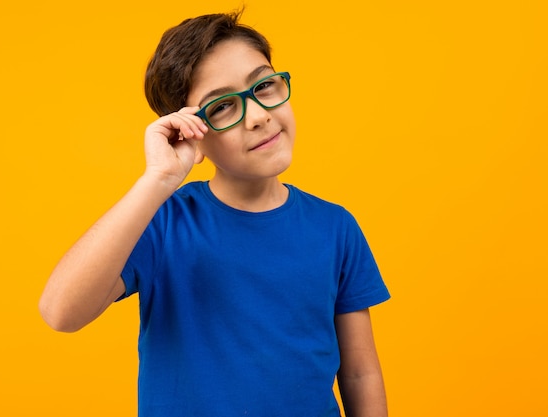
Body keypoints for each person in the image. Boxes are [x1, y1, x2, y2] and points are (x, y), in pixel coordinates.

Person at [39, 10, 391, 417]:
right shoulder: (163, 222)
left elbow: (360, 374)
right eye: (222, 107)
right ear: (187, 130)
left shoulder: (336, 227)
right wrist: (158, 179)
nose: (259, 116)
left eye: (265, 85)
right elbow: (60, 312)